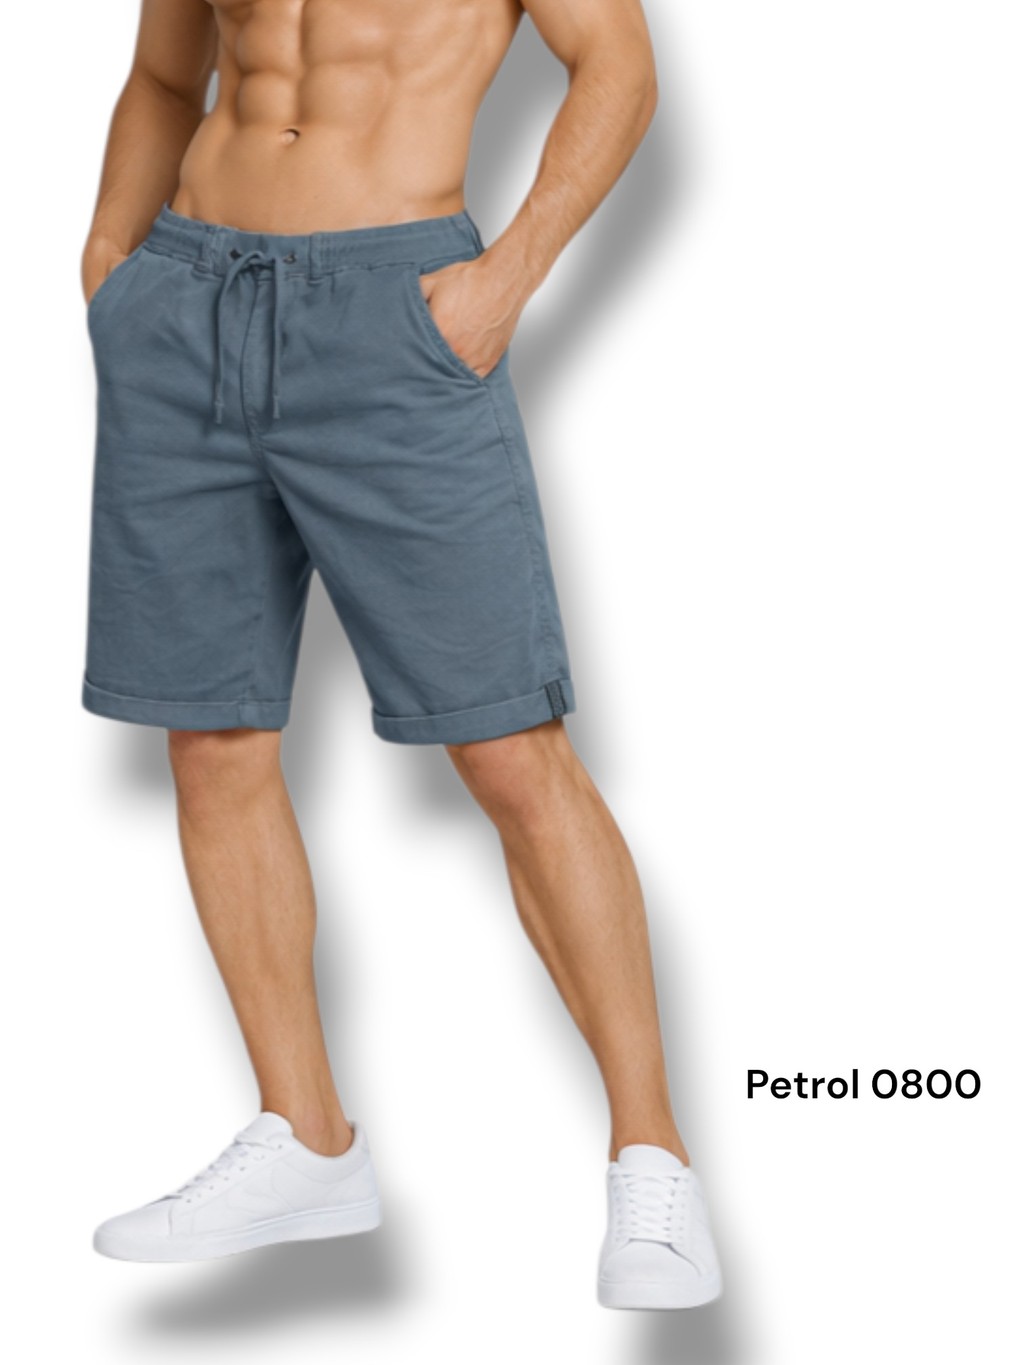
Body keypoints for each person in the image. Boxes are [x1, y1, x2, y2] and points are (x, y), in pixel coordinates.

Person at [80, 0, 722, 1310]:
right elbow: (162, 73)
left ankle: (653, 1161)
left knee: (510, 747)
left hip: (400, 319)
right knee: (212, 737)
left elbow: (617, 65)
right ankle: (307, 1136)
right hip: (186, 304)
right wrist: (109, 265)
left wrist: (506, 279)